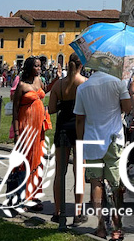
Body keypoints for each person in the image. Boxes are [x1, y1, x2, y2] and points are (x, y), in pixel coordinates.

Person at [74, 65, 131, 239]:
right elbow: (127, 108)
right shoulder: (118, 82)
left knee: (96, 184)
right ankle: (116, 227)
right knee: (115, 185)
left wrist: (80, 142)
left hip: (92, 140)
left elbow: (79, 119)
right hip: (113, 139)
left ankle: (100, 226)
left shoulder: (83, 87)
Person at [48, 52, 86, 222]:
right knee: (79, 171)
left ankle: (57, 211)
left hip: (62, 127)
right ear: (81, 65)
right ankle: (78, 212)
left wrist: (61, 104)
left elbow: (51, 109)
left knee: (60, 172)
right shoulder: (85, 83)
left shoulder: (59, 85)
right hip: (79, 128)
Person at [12, 56, 52, 210]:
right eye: (36, 66)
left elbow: (45, 91)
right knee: (25, 162)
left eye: (40, 66)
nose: (39, 68)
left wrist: (57, 80)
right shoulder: (21, 86)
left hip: (39, 128)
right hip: (25, 127)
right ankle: (21, 197)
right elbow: (15, 110)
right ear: (29, 68)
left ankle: (34, 195)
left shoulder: (39, 81)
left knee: (37, 161)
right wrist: (16, 132)